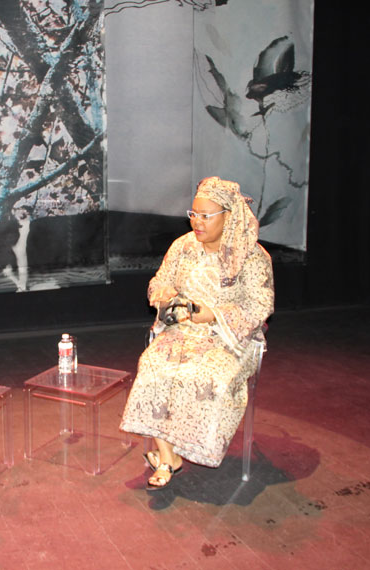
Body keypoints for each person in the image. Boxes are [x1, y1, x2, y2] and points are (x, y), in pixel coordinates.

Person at [120, 176, 274, 490]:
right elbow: (159, 282)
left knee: (207, 376)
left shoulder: (252, 256)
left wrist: (212, 314)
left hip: (229, 338)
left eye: (206, 216)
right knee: (153, 367)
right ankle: (168, 457)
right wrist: (165, 298)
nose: (197, 222)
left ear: (228, 216)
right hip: (183, 332)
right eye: (193, 214)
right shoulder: (183, 246)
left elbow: (260, 305)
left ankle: (184, 450)